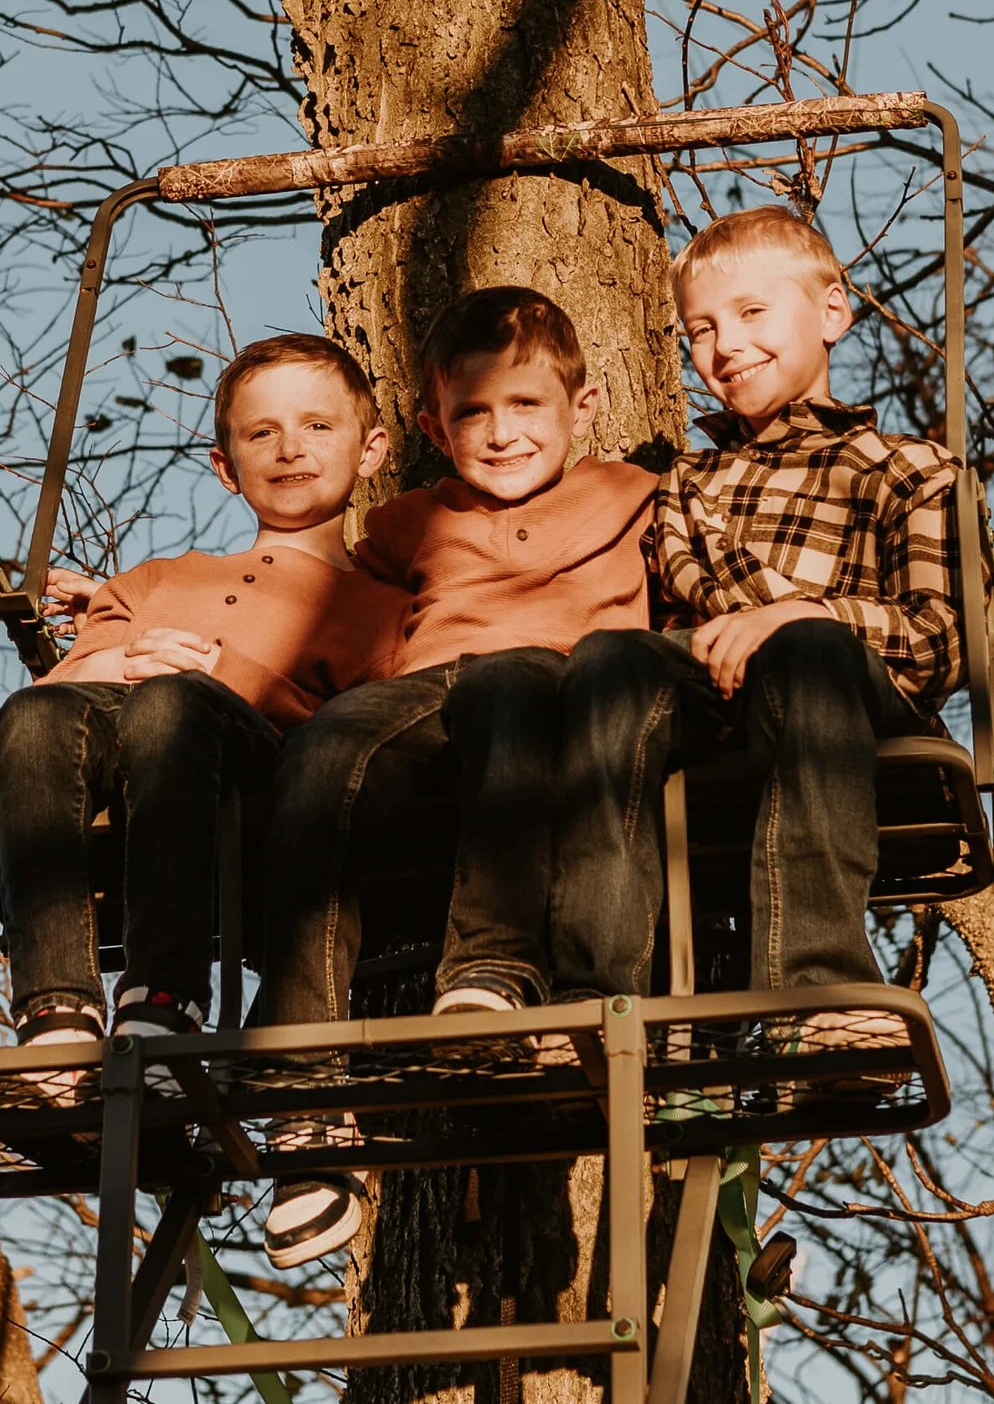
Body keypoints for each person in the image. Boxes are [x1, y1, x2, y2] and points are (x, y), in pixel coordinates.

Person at [254, 286, 656, 1270]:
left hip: (571, 693)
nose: (500, 431)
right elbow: (318, 606)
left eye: (525, 405)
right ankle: (305, 1090)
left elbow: (708, 578)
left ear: (583, 404)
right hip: (431, 690)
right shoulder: (401, 525)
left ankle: (490, 969)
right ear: (432, 425)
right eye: (471, 412)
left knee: (514, 681)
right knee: (328, 746)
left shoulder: (636, 495)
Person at [551, 205, 965, 1062]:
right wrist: (750, 625)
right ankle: (590, 989)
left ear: (832, 313)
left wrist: (794, 619)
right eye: (699, 329)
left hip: (848, 705)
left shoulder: (910, 469)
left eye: (750, 314)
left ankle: (818, 988)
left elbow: (934, 644)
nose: (723, 345)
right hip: (716, 696)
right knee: (609, 659)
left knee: (807, 652)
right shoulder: (685, 484)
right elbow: (682, 585)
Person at [0, 334, 409, 1081]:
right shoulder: (159, 579)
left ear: (369, 450)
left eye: (317, 426)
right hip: (137, 756)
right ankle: (56, 1017)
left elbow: (365, 739)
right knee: (32, 715)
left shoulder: (382, 607)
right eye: (261, 433)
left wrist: (221, 671)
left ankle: (165, 996)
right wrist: (125, 658)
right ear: (225, 465)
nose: (289, 449)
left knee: (174, 705)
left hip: (265, 777)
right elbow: (67, 694)